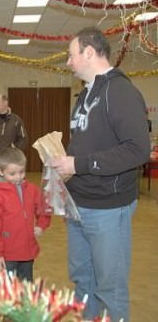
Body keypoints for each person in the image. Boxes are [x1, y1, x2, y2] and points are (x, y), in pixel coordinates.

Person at [51, 27, 150, 321]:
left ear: (89, 53)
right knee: (83, 281)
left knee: (110, 288)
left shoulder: (120, 91)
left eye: (71, 55)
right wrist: (64, 165)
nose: (68, 63)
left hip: (108, 207)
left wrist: (77, 165)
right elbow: (85, 146)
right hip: (78, 204)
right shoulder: (84, 96)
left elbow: (137, 150)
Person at [0, 147, 51, 281]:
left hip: (27, 252)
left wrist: (41, 225)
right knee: (8, 292)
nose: (18, 177)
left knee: (27, 290)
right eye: (12, 173)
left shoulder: (31, 190)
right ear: (1, 172)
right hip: (7, 254)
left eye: (21, 172)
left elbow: (44, 209)